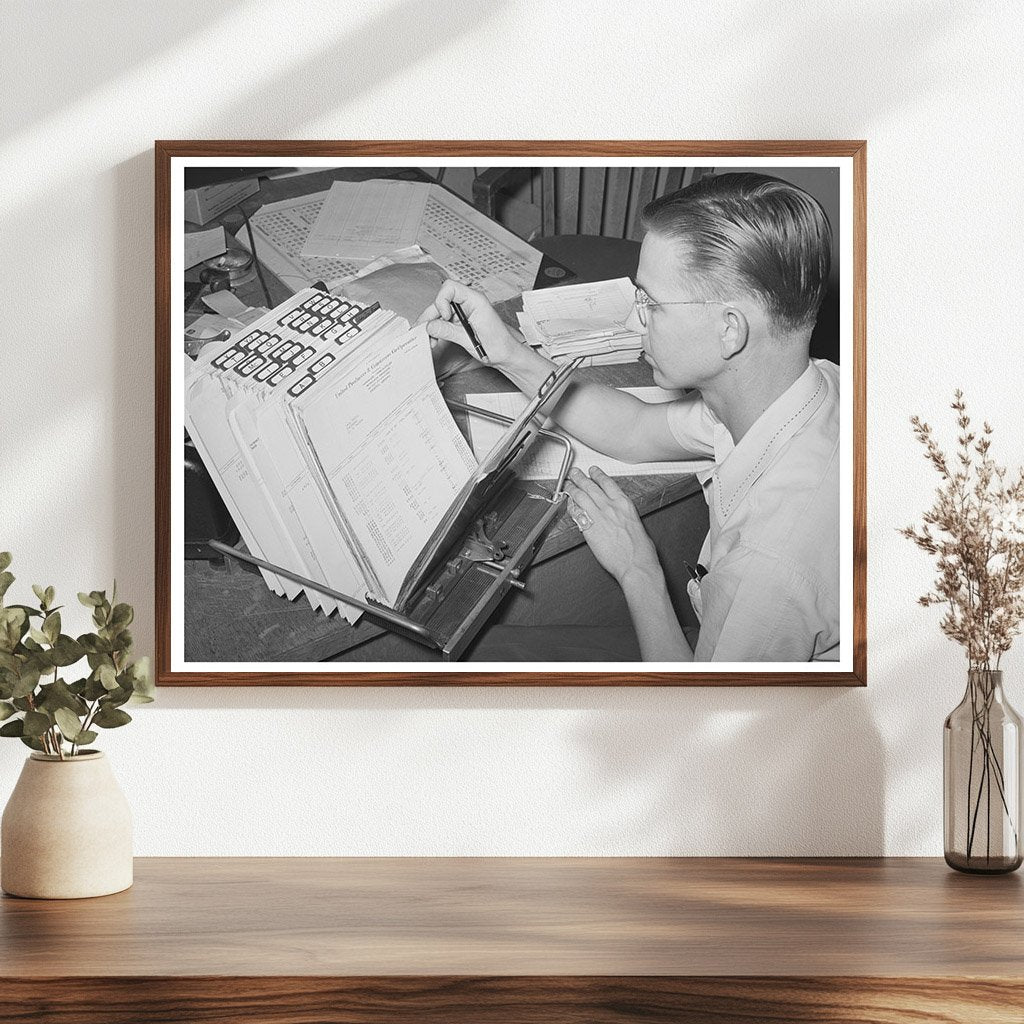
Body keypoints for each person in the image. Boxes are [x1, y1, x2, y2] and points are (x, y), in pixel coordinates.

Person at [422, 172, 839, 663]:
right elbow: (636, 430)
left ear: (731, 329)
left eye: (651, 304)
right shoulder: (802, 386)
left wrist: (638, 569)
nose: (632, 320)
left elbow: (705, 723)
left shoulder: (770, 565)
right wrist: (510, 354)